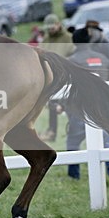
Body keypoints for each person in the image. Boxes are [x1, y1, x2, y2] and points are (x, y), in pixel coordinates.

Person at [64, 28, 109, 180]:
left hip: (81, 109)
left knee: (73, 142)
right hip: (104, 108)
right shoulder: (102, 58)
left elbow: (66, 86)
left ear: (74, 41)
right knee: (108, 141)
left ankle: (74, 175)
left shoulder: (71, 61)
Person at [38, 13, 74, 142]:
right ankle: (52, 131)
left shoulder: (68, 38)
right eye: (48, 28)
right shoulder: (46, 40)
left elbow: (74, 57)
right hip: (51, 77)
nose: (50, 30)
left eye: (52, 27)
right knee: (51, 101)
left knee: (64, 102)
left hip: (67, 76)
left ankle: (72, 129)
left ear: (58, 25)